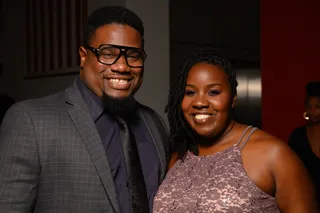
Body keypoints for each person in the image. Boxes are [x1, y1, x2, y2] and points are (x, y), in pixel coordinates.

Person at [0, 6, 169, 213]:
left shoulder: (154, 124)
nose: (122, 67)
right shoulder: (31, 122)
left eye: (133, 56)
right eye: (108, 53)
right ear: (82, 56)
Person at [153, 48, 318, 213]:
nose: (200, 102)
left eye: (213, 92)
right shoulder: (176, 156)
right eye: (190, 92)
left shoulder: (273, 154)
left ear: (233, 98)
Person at [289, 81, 320, 205]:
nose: (312, 111)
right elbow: (291, 171)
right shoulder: (298, 135)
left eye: (317, 107)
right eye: (309, 106)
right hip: (307, 199)